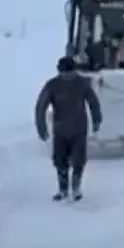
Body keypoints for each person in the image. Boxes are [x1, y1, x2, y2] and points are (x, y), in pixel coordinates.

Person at [34, 56, 103, 201]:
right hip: (60, 130)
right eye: (64, 73)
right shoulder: (53, 85)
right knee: (60, 161)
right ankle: (63, 189)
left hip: (79, 129)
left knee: (79, 160)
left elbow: (93, 102)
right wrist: (41, 127)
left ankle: (76, 188)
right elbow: (41, 106)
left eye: (69, 72)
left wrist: (97, 119)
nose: (67, 76)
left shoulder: (81, 83)